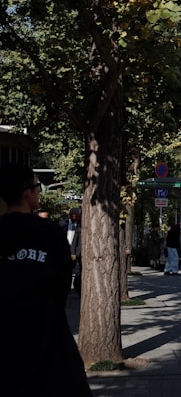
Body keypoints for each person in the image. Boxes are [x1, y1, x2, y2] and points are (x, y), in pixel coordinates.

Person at [0, 163, 92, 396]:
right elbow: (62, 284)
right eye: (37, 187)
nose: (39, 191)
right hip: (47, 339)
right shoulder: (49, 233)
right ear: (27, 193)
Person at [61, 206, 83, 294]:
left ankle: (77, 289)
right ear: (69, 216)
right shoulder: (63, 224)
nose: (74, 218)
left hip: (76, 252)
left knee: (77, 273)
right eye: (72, 216)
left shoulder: (81, 225)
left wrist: (75, 253)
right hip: (64, 251)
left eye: (76, 216)